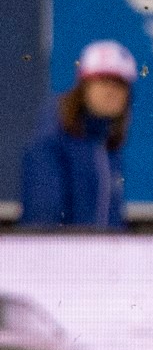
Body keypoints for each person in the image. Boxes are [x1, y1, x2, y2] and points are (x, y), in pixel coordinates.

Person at [20, 40, 137, 229]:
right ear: (83, 87)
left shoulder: (107, 145)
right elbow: (42, 223)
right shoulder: (51, 140)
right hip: (61, 256)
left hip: (104, 257)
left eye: (119, 84)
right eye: (102, 81)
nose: (110, 91)